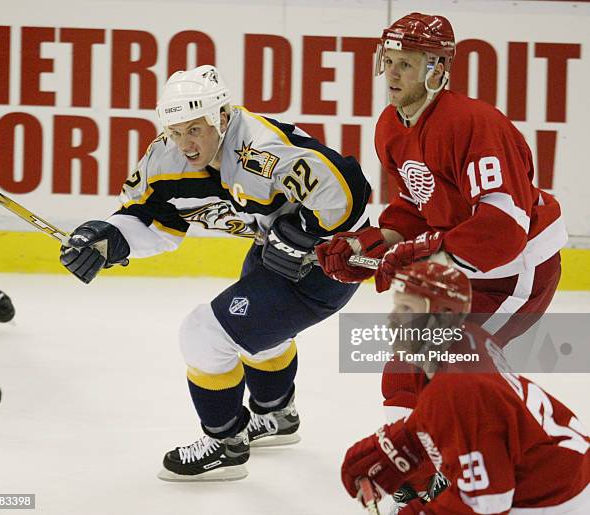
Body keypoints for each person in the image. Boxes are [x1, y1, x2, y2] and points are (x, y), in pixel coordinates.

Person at [59, 65, 372, 481]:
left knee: (204, 333)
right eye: (175, 130)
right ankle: (276, 414)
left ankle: (225, 442)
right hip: (271, 255)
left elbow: (347, 190)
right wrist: (105, 238)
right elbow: (152, 219)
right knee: (255, 335)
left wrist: (302, 236)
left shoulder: (261, 149)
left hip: (325, 265)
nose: (185, 144)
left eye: (195, 129)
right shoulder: (167, 158)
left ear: (222, 118)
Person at [316, 12, 566, 346]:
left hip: (517, 271)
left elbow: (504, 226)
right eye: (389, 60)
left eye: (405, 64)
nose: (391, 72)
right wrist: (372, 245)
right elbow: (419, 205)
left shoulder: (471, 124)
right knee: (407, 372)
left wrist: (425, 256)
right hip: (463, 270)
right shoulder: (391, 127)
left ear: (436, 70)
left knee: (451, 366)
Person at [341, 261, 589, 514]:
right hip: (557, 462)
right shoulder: (461, 344)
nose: (394, 318)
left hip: (558, 497)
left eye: (407, 309)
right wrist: (399, 445)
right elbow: (443, 413)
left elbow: (487, 505)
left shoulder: (463, 387)